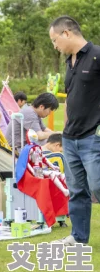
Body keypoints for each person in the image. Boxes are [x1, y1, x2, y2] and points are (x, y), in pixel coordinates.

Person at [49, 15, 100, 246]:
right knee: (78, 190)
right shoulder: (69, 63)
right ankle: (78, 238)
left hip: (92, 137)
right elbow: (69, 99)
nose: (55, 46)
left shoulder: (97, 55)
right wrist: (64, 130)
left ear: (66, 33)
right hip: (70, 139)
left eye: (55, 40)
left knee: (97, 186)